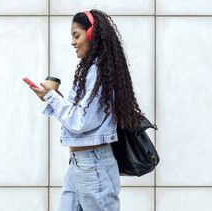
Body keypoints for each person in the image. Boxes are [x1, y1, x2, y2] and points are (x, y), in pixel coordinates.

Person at [29, 9, 145, 211]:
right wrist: (54, 98)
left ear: (92, 34)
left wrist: (52, 97)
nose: (73, 42)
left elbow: (80, 122)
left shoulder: (98, 73)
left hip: (94, 165)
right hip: (80, 164)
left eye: (77, 36)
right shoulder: (89, 71)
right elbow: (77, 114)